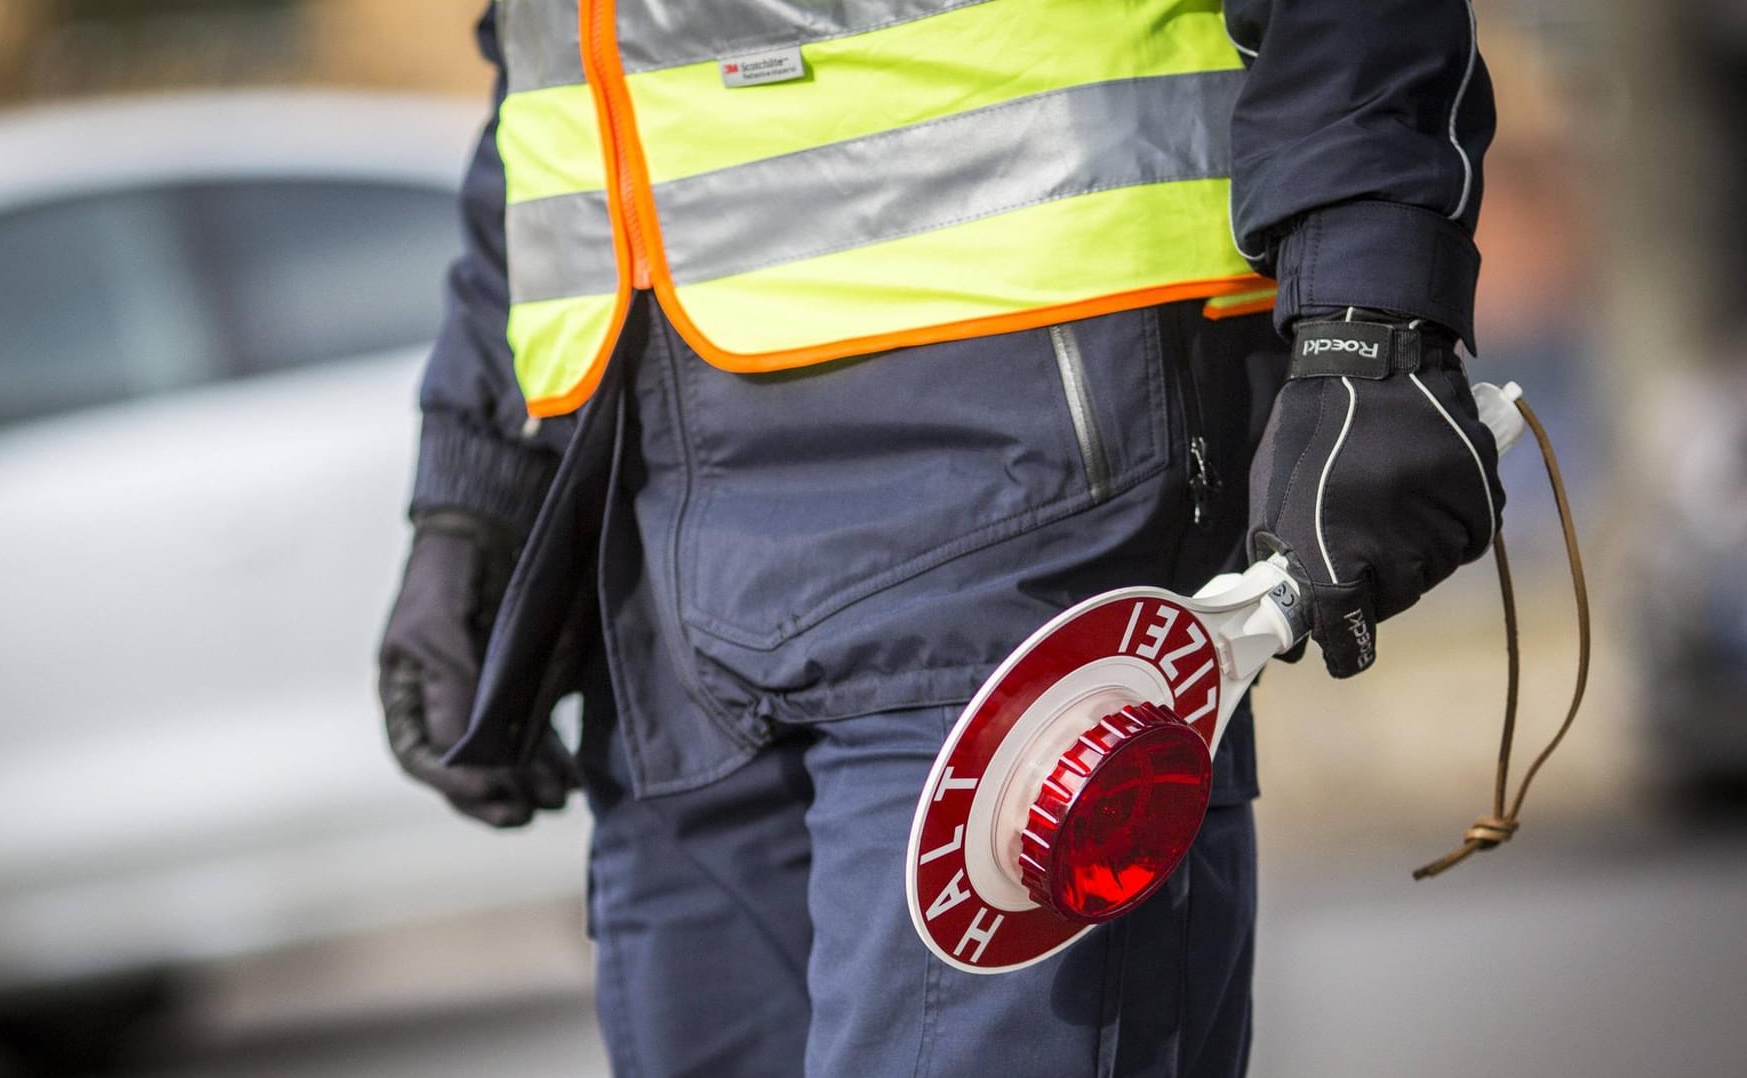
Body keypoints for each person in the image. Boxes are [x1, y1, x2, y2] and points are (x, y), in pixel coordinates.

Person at [378, 2, 1504, 1075]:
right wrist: (477, 496)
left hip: (1011, 477)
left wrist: (1374, 303)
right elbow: (561, 82)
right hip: (656, 547)